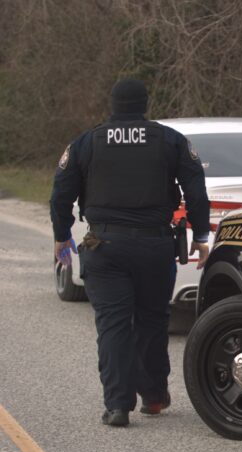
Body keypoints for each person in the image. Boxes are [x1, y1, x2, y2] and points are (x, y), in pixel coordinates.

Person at [50, 78, 210, 427]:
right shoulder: (169, 140)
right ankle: (153, 397)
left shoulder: (87, 141)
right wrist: (200, 234)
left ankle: (117, 405)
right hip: (155, 247)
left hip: (104, 246)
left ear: (113, 104)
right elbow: (195, 190)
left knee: (113, 326)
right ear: (144, 103)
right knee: (153, 320)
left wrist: (62, 236)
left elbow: (61, 192)